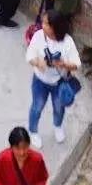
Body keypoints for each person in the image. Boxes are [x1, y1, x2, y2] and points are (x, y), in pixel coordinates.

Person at [26, 9, 81, 147]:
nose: (42, 25)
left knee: (59, 108)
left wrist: (63, 64)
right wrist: (38, 63)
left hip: (59, 82)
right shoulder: (38, 36)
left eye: (46, 24)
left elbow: (76, 64)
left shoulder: (67, 42)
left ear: (54, 27)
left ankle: (57, 126)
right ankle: (33, 131)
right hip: (40, 81)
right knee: (37, 107)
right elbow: (29, 56)